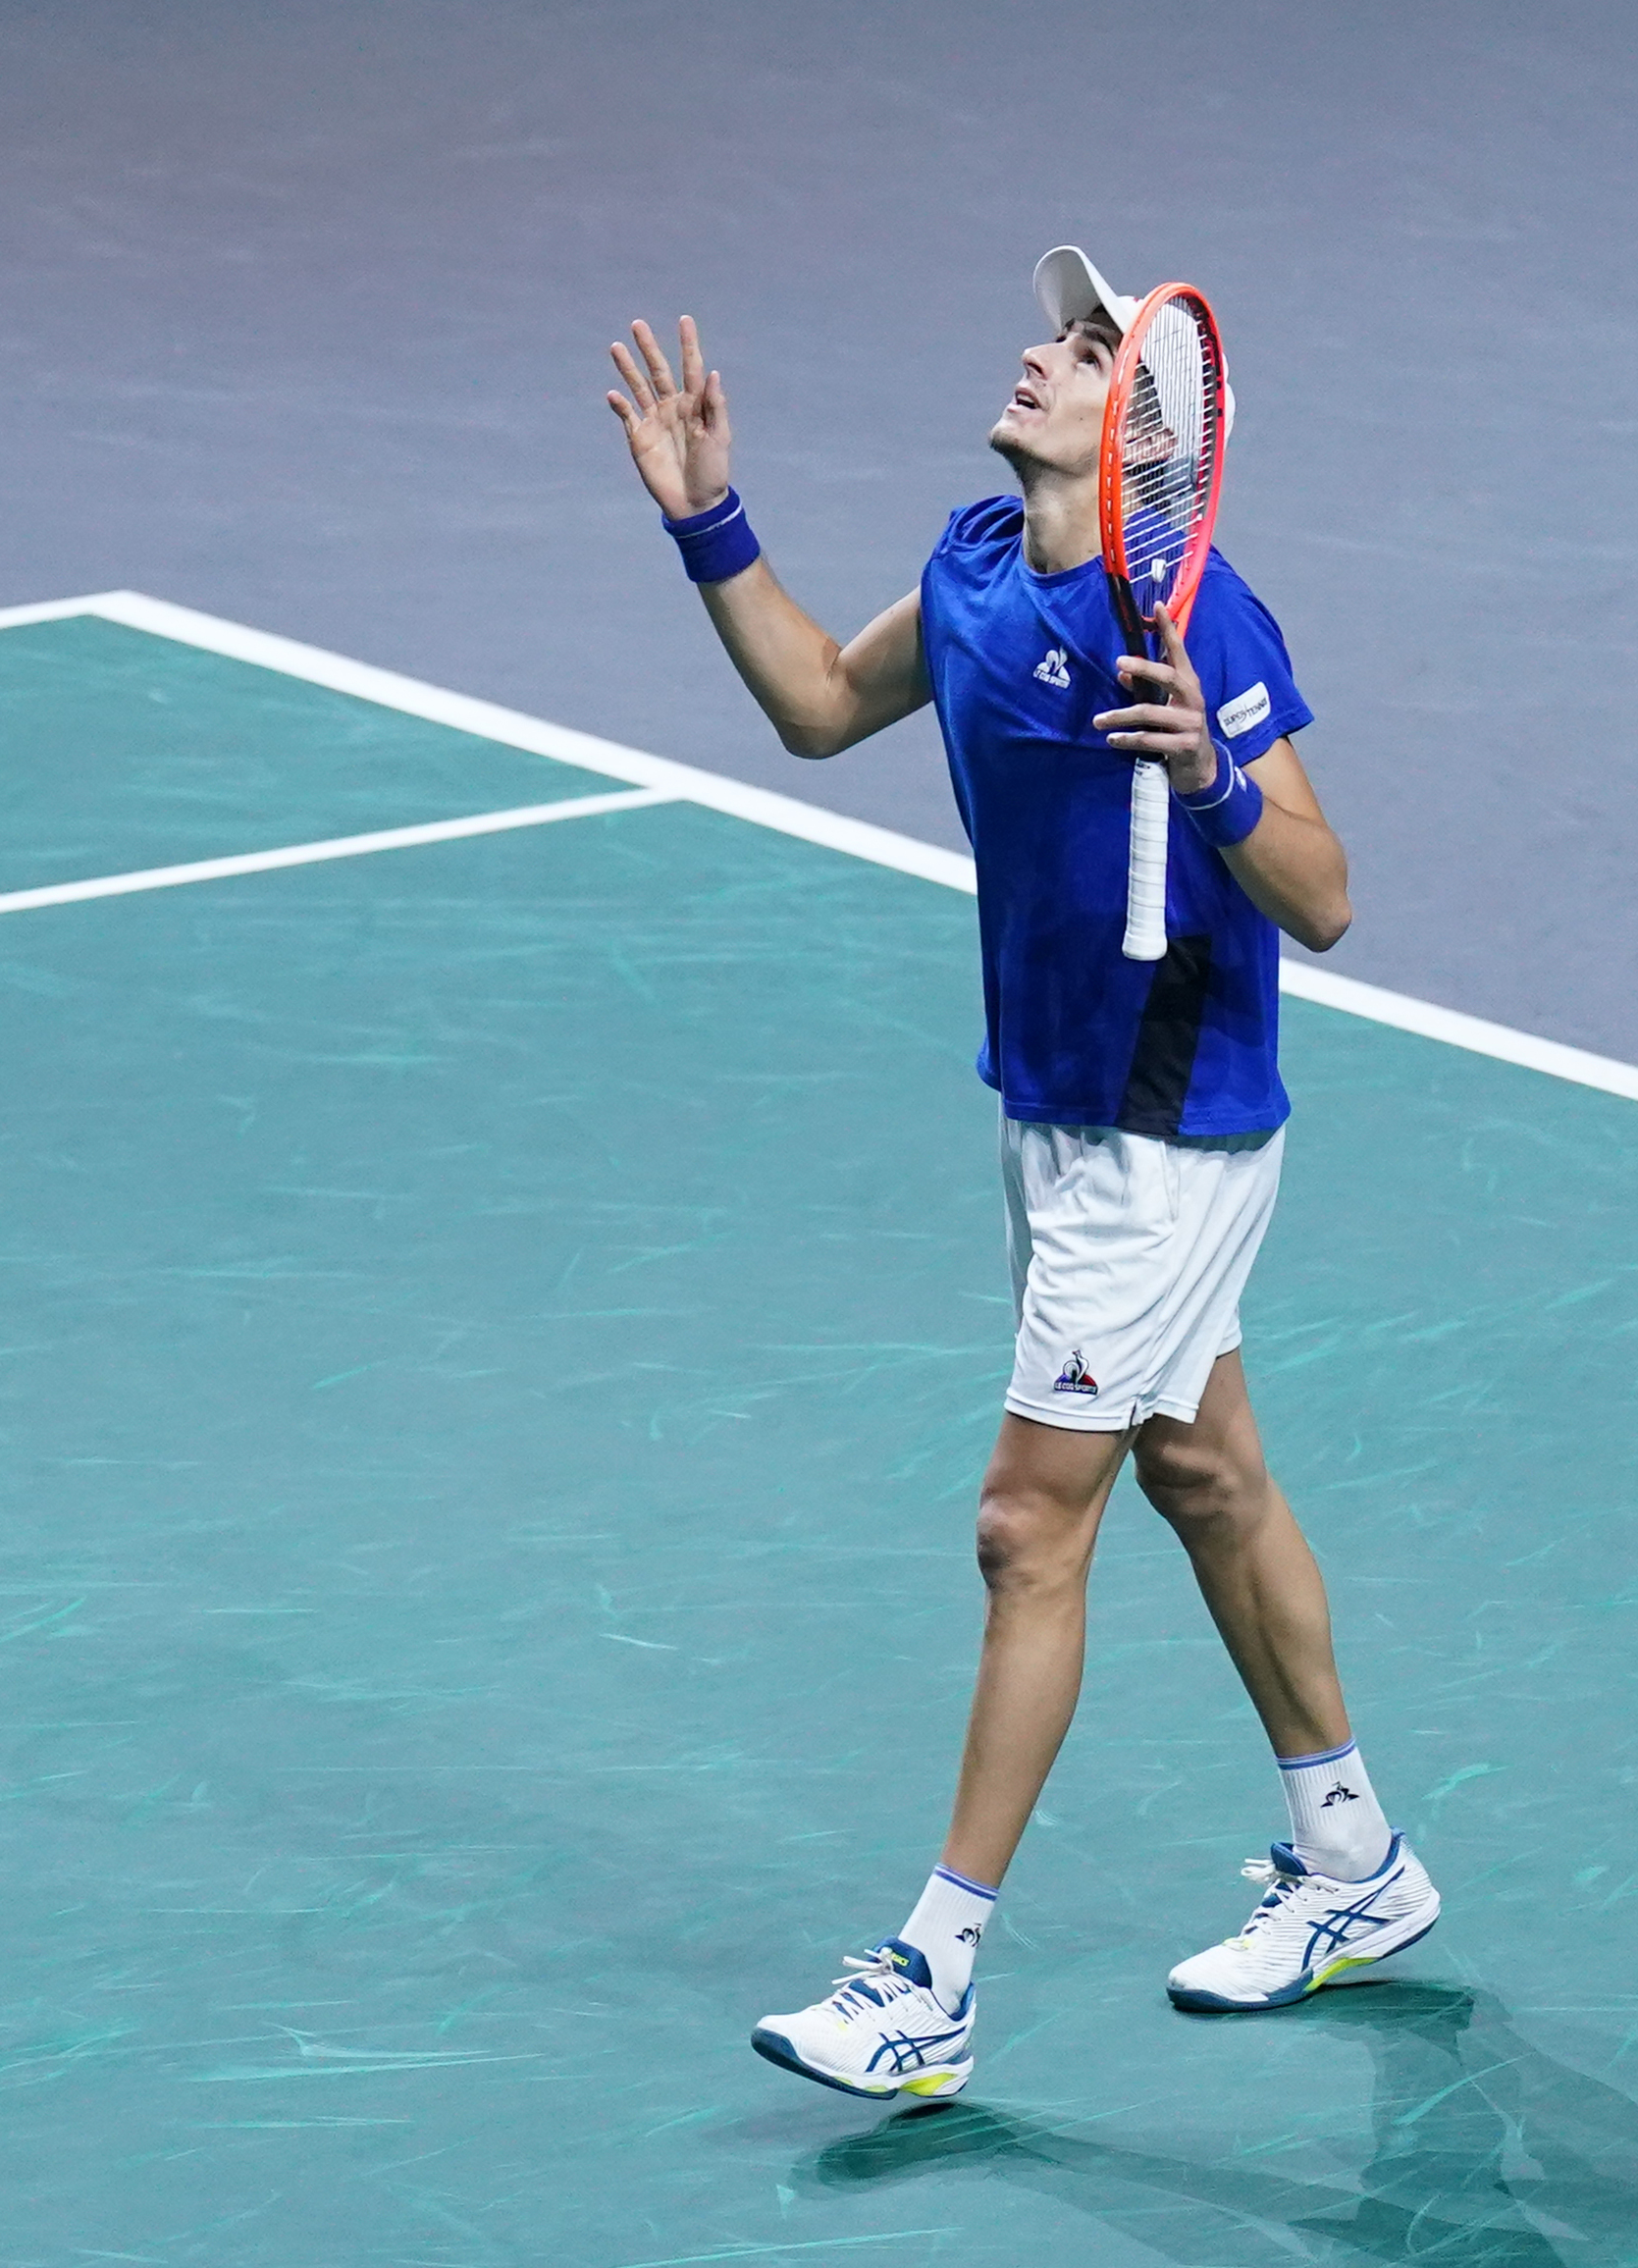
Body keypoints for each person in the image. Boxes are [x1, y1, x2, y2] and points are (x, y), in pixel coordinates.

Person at [601, 247, 1442, 2102]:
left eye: (1078, 350)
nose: (1036, 355)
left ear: (1139, 432)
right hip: (1050, 1107)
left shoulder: (1203, 625)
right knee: (1209, 1478)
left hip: (1163, 1128)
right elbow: (821, 702)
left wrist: (1216, 788)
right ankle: (1358, 1869)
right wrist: (707, 523)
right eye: (1050, 335)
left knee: (1024, 1526)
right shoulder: (982, 566)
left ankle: (933, 1978)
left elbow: (1331, 895)